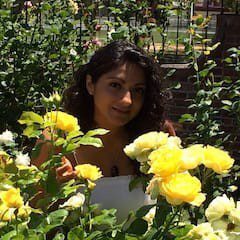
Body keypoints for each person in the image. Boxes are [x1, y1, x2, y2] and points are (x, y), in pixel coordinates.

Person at [32, 40, 175, 221]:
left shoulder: (158, 138)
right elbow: (30, 215)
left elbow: (172, 213)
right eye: (115, 85)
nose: (127, 100)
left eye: (138, 90)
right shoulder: (57, 141)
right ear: (91, 84)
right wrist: (51, 190)